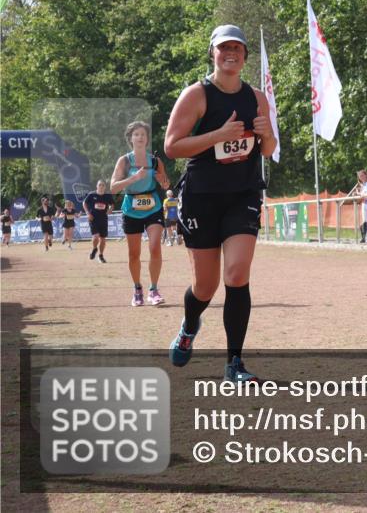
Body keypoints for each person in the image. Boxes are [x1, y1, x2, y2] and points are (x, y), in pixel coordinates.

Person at [165, 24, 276, 383]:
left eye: (237, 48)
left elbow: (269, 149)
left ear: (245, 56)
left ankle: (234, 363)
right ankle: (189, 325)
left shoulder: (256, 97)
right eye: (224, 47)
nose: (231, 53)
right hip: (202, 197)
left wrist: (266, 135)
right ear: (212, 53)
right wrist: (218, 135)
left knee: (237, 274)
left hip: (243, 194)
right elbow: (172, 146)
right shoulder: (197, 95)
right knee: (205, 286)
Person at [111, 121, 170, 306]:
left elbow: (166, 184)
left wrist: (162, 180)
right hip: (131, 209)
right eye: (136, 134)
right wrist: (134, 178)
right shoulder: (124, 161)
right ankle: (137, 289)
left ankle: (154, 290)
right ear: (130, 138)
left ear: (147, 139)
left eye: (143, 134)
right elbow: (113, 188)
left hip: (153, 207)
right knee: (134, 254)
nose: (140, 137)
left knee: (155, 246)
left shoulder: (155, 161)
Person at [83, 180, 113, 263]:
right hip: (93, 219)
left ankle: (101, 256)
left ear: (105, 187)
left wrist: (110, 209)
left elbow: (112, 204)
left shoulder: (107, 196)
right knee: (96, 237)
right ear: (97, 186)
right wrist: (87, 213)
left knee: (103, 239)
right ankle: (94, 249)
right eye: (100, 185)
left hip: (103, 219)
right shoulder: (91, 195)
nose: (101, 186)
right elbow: (84, 203)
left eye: (103, 185)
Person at [347, 169, 367, 243]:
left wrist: (358, 193)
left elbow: (365, 194)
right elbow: (362, 195)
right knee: (365, 220)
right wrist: (357, 194)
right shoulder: (363, 185)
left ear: (366, 175)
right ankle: (364, 237)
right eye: (359, 176)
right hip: (364, 204)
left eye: (362, 175)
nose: (361, 177)